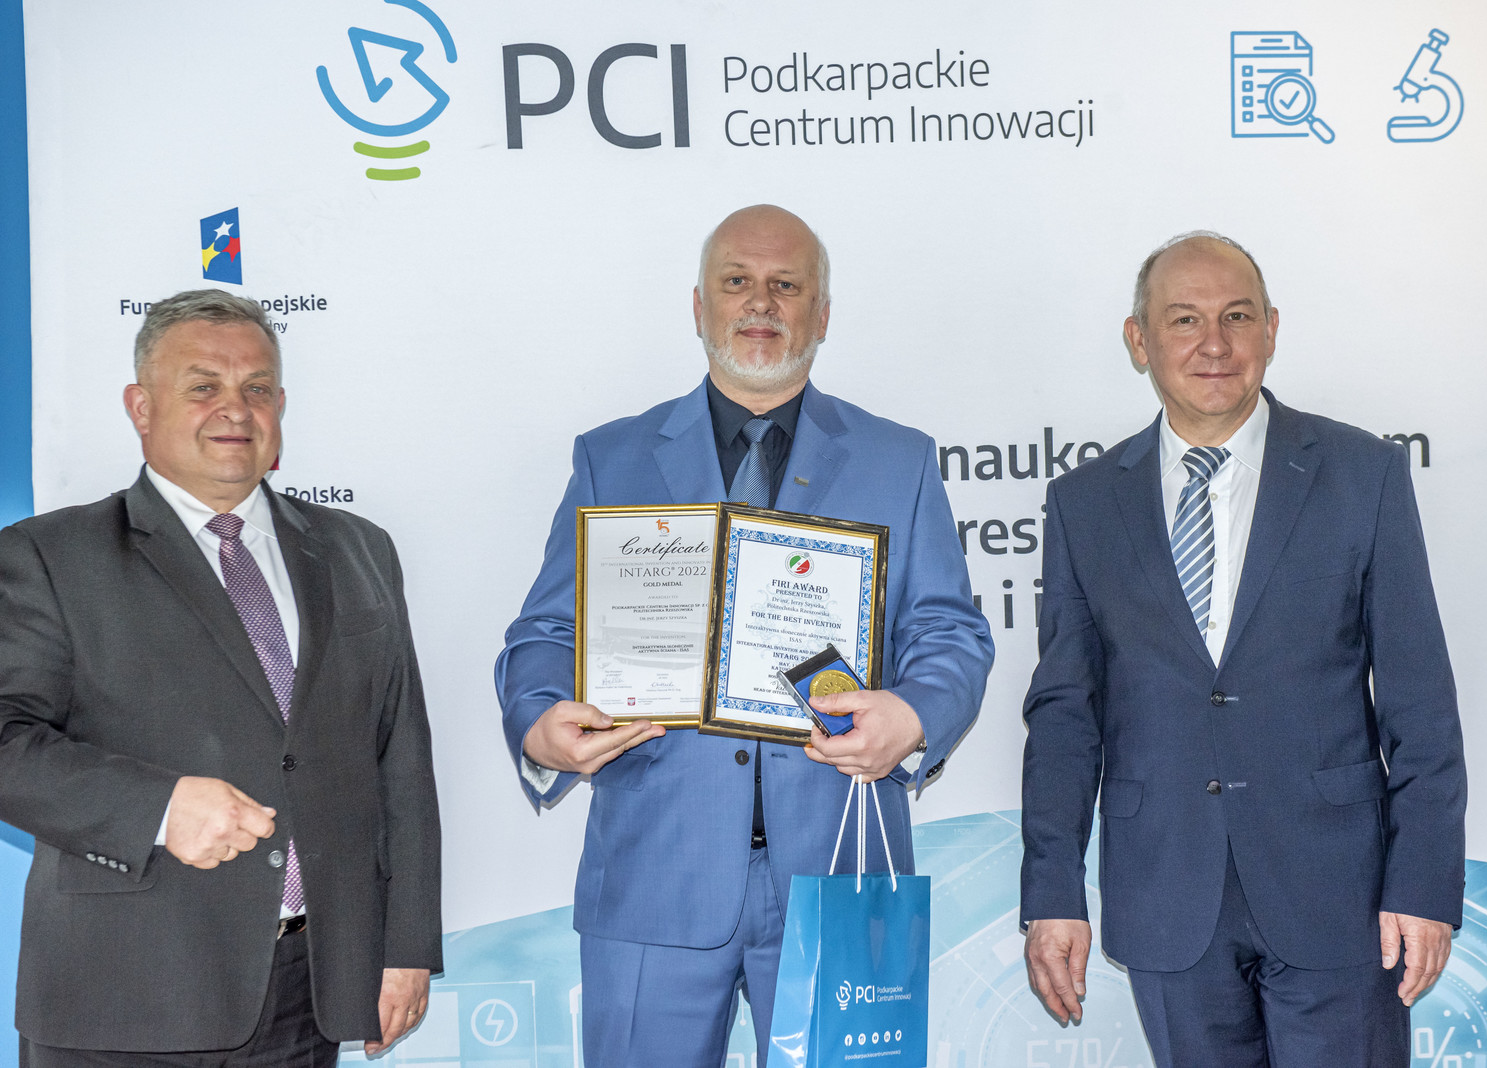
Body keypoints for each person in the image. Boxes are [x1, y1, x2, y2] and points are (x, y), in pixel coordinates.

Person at [496, 204, 993, 1066]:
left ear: (822, 315)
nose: (760, 302)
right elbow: (547, 630)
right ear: (700, 306)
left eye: (786, 285)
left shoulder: (900, 460)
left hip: (839, 869)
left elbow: (949, 632)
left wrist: (911, 719)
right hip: (654, 873)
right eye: (737, 282)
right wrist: (540, 722)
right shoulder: (612, 459)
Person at [1019, 232, 1467, 1067]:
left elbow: (1421, 701)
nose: (1214, 344)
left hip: (1341, 897)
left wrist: (1425, 883)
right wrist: (1052, 891)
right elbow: (1065, 718)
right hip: (1166, 894)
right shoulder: (1084, 504)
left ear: (1271, 328)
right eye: (1184, 320)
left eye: (1236, 316)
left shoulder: (1362, 473)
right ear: (1139, 340)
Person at [0, 290, 442, 1065]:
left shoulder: (359, 549)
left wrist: (404, 946)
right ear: (141, 406)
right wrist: (158, 808)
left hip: (308, 996)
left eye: (257, 387)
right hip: (122, 999)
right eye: (203, 385)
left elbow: (398, 759)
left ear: (281, 406)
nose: (235, 409)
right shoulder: (47, 557)